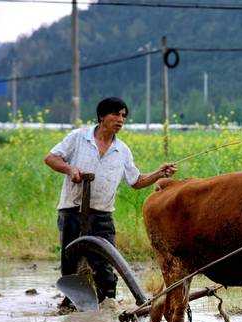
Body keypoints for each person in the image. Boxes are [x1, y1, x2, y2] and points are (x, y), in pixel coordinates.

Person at [44, 97, 176, 310]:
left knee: (105, 262)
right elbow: (51, 158)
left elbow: (136, 181)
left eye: (123, 115)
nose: (120, 119)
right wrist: (70, 170)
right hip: (72, 209)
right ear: (101, 117)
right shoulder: (79, 138)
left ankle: (108, 302)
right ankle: (72, 301)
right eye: (115, 114)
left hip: (102, 214)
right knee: (70, 259)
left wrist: (159, 173)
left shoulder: (122, 150)